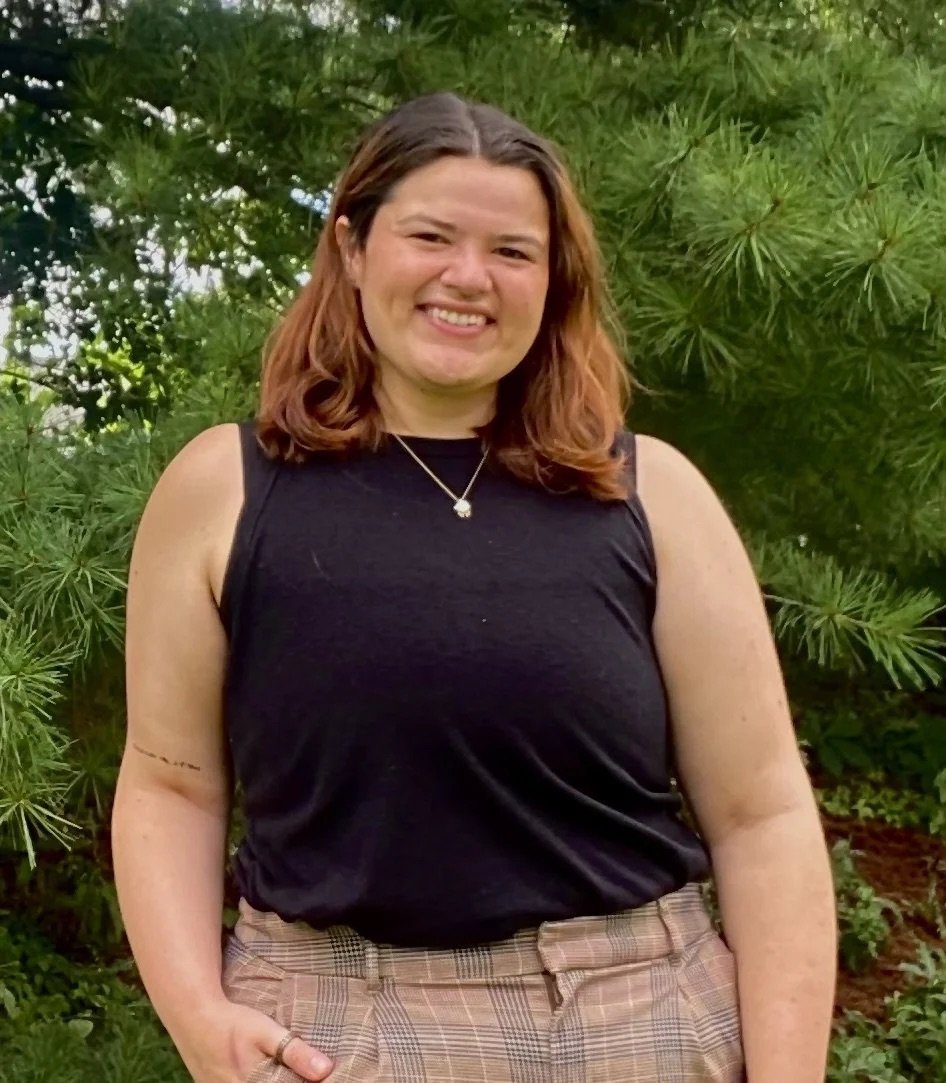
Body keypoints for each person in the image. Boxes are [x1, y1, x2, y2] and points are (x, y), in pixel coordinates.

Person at [112, 92, 836, 1083]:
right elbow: (169, 786)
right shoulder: (222, 492)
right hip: (331, 1031)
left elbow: (761, 813)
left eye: (511, 250)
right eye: (430, 235)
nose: (468, 277)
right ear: (353, 248)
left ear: (553, 281)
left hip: (647, 1024)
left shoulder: (651, 496)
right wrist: (199, 1014)